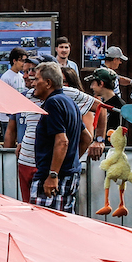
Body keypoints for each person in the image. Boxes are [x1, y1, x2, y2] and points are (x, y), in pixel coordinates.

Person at [28, 62, 84, 213]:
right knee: (64, 226)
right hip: (69, 174)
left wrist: (53, 174)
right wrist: (71, 159)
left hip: (53, 177)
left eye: (36, 79)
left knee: (43, 226)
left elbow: (62, 141)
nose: (33, 83)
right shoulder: (69, 102)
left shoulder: (53, 103)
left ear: (48, 83)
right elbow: (86, 136)